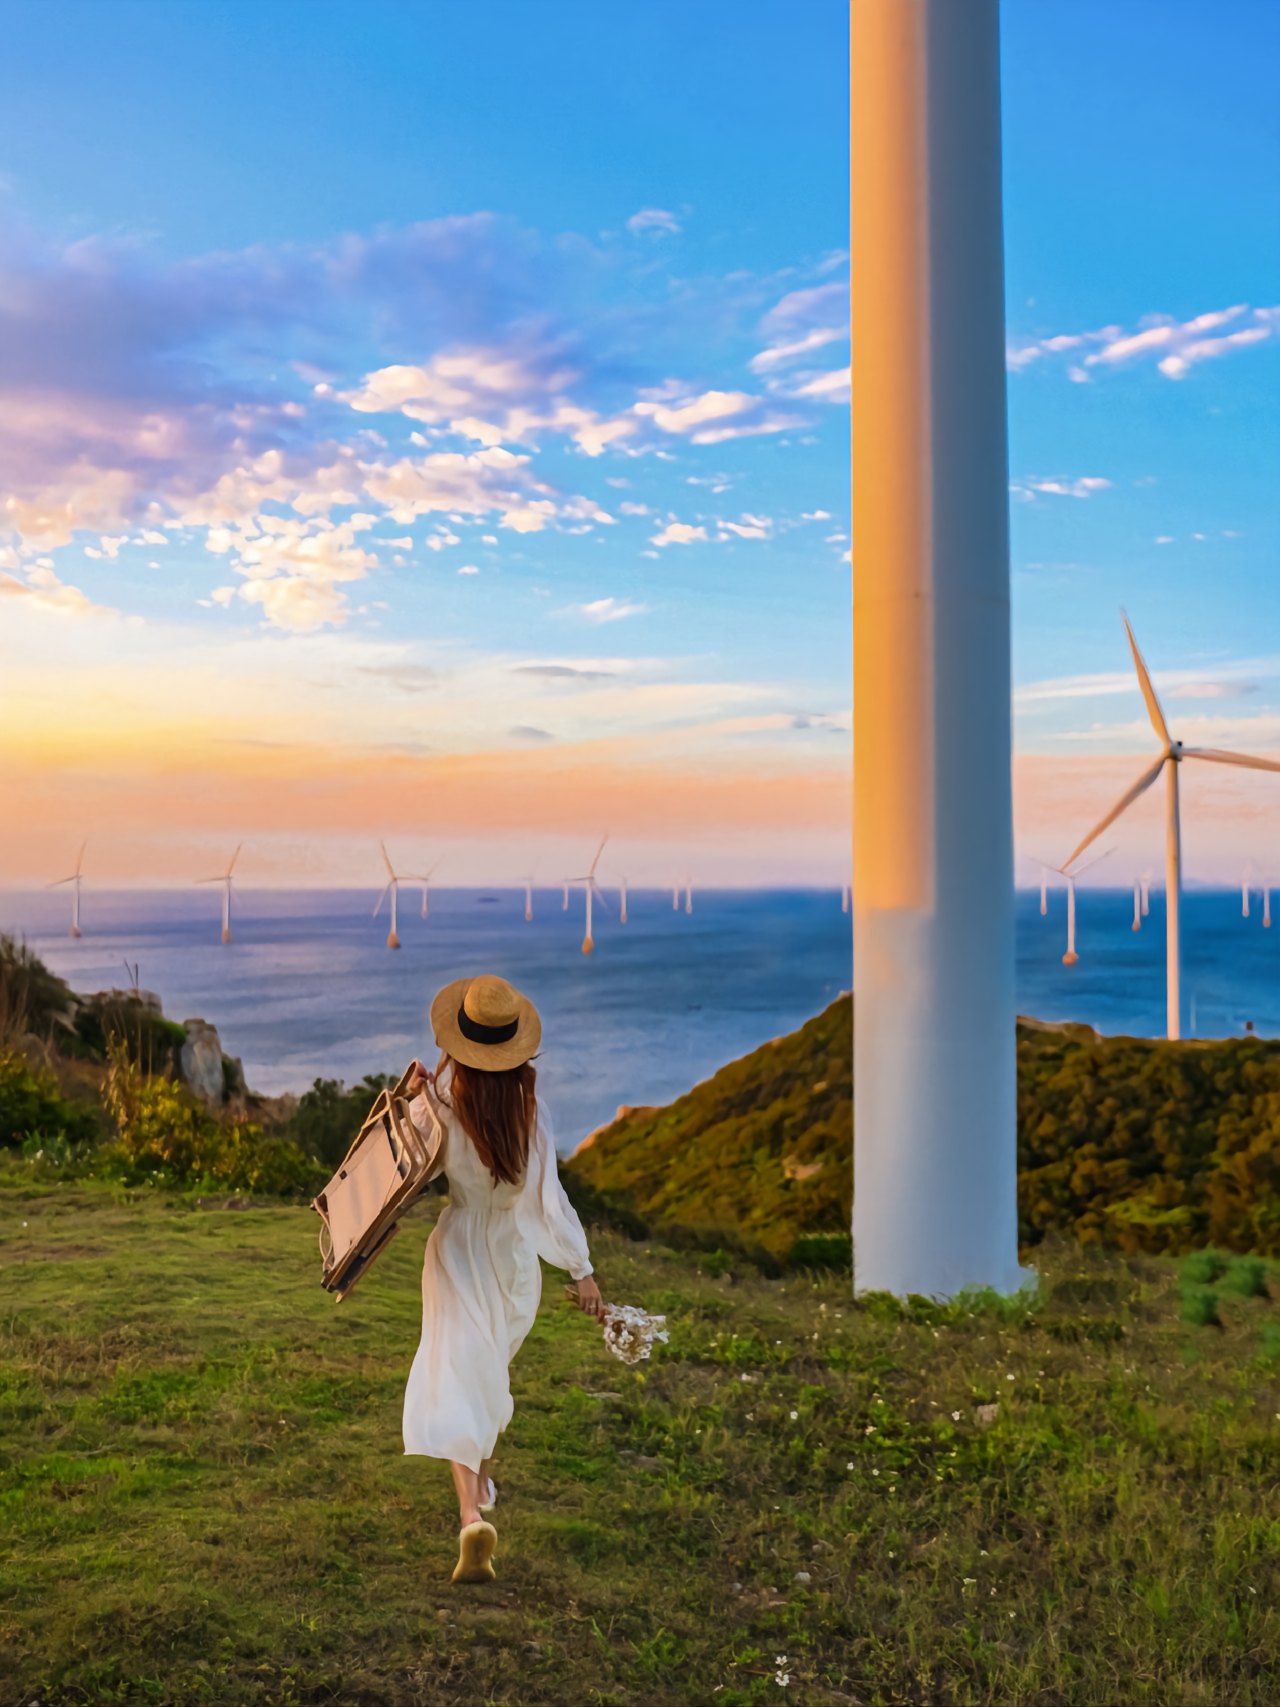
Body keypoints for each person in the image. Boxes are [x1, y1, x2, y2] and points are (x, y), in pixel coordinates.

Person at [401, 973, 604, 1585]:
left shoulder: (437, 1102)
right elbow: (546, 1199)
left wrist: (412, 1094)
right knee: (486, 1374)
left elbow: (400, 1166)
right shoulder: (528, 1110)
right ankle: (478, 1487)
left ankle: (471, 1512)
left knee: (458, 1371)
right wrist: (582, 1268)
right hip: (511, 1261)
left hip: (459, 1248)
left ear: (460, 1044)